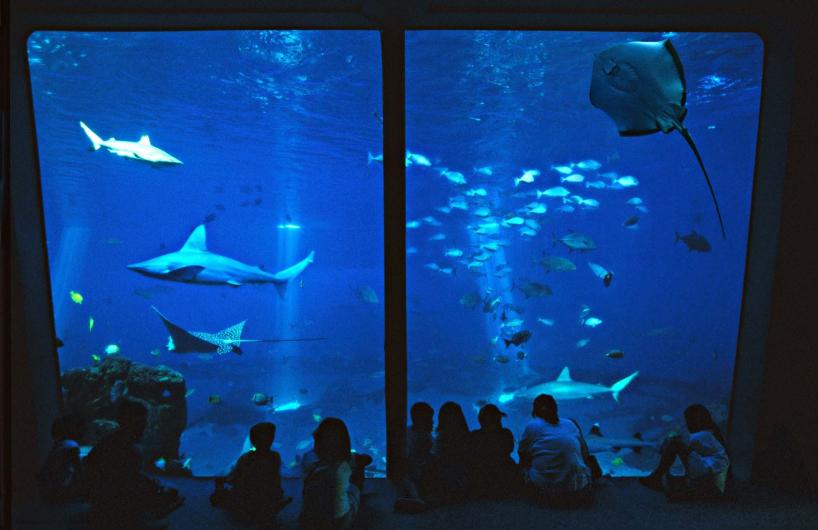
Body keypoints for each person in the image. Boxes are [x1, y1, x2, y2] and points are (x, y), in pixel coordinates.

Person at [83, 398, 183, 529]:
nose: (145, 426)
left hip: (97, 498)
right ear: (132, 422)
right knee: (171, 492)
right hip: (113, 501)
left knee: (163, 489)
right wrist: (154, 487)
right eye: (142, 422)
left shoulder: (109, 440)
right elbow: (128, 484)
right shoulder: (130, 449)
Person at [639, 404, 730, 501]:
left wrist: (668, 444)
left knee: (675, 442)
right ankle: (659, 478)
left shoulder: (700, 435)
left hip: (709, 467)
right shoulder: (712, 431)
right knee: (675, 443)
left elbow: (684, 445)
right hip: (715, 466)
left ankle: (656, 477)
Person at [518, 394, 594, 507]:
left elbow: (522, 454)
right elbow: (585, 454)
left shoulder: (532, 425)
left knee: (522, 468)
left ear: (536, 410)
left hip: (545, 492)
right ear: (556, 407)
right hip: (579, 489)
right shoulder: (570, 423)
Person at [210, 422, 292, 526]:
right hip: (269, 498)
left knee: (221, 489)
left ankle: (248, 511)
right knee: (272, 496)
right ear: (271, 440)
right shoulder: (275, 457)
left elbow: (234, 479)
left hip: (247, 500)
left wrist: (224, 480)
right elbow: (275, 479)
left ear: (252, 441)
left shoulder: (245, 458)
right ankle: (270, 508)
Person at [300, 418, 372, 529]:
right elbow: (368, 459)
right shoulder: (340, 467)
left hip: (309, 518)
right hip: (340, 520)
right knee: (356, 482)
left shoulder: (311, 462)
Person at [424, 401, 472, 505]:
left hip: (445, 480)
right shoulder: (468, 436)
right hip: (465, 480)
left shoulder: (442, 437)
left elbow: (433, 459)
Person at [470, 404, 521, 498]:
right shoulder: (506, 433)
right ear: (498, 418)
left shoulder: (474, 436)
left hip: (482, 479)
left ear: (480, 420)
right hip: (505, 477)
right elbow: (510, 449)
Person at [393, 402, 434, 513]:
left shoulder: (408, 431)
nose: (433, 422)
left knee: (407, 482)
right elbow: (431, 457)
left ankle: (412, 498)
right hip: (422, 471)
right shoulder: (425, 437)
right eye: (430, 419)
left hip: (410, 471)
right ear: (422, 420)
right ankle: (417, 500)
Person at [37, 414, 87, 503]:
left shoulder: (59, 445)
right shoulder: (71, 446)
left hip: (49, 491)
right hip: (60, 491)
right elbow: (79, 471)